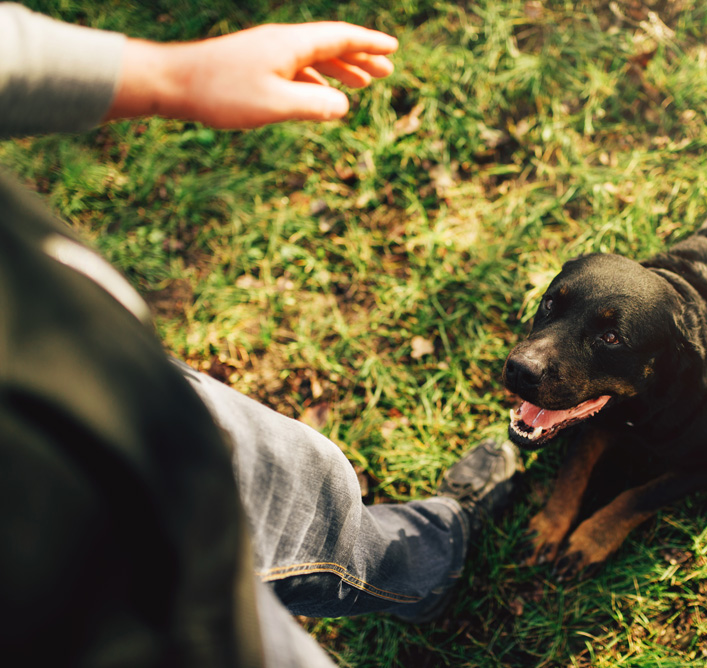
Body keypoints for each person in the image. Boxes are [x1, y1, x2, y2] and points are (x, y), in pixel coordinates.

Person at [0, 4, 520, 666]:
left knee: (304, 487)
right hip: (57, 607)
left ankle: (422, 563)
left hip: (115, 382)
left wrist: (166, 75)